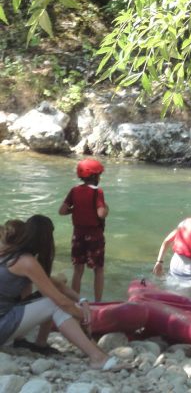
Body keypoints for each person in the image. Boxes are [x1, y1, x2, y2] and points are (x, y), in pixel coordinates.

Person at [0, 215, 121, 370]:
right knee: (55, 303)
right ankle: (97, 358)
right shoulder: (26, 262)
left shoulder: (9, 254)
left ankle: (41, 344)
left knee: (53, 298)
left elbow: (56, 284)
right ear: (46, 239)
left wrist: (82, 300)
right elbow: (60, 300)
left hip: (5, 320)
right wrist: (84, 317)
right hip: (3, 326)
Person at [58, 158, 108, 302]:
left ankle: (75, 301)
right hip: (95, 236)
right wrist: (106, 209)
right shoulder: (98, 192)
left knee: (78, 271)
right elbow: (101, 214)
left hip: (78, 235)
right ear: (95, 176)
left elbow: (62, 211)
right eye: (99, 175)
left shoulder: (74, 191)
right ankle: (98, 302)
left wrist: (75, 210)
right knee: (98, 270)